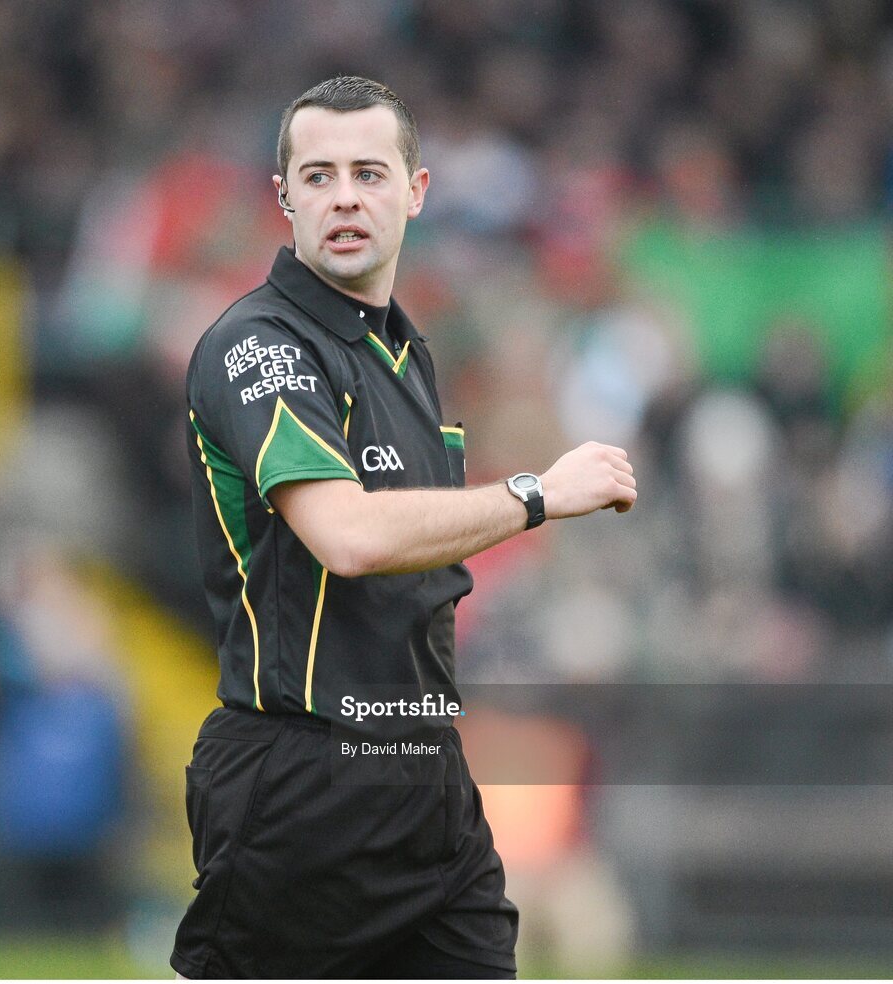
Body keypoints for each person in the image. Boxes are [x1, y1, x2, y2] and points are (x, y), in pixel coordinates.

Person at [169, 76, 637, 979]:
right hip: (303, 783)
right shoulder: (254, 346)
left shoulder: (404, 351)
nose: (345, 195)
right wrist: (539, 492)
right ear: (285, 199)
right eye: (318, 175)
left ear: (415, 193)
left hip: (427, 774)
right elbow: (349, 537)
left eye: (370, 173)